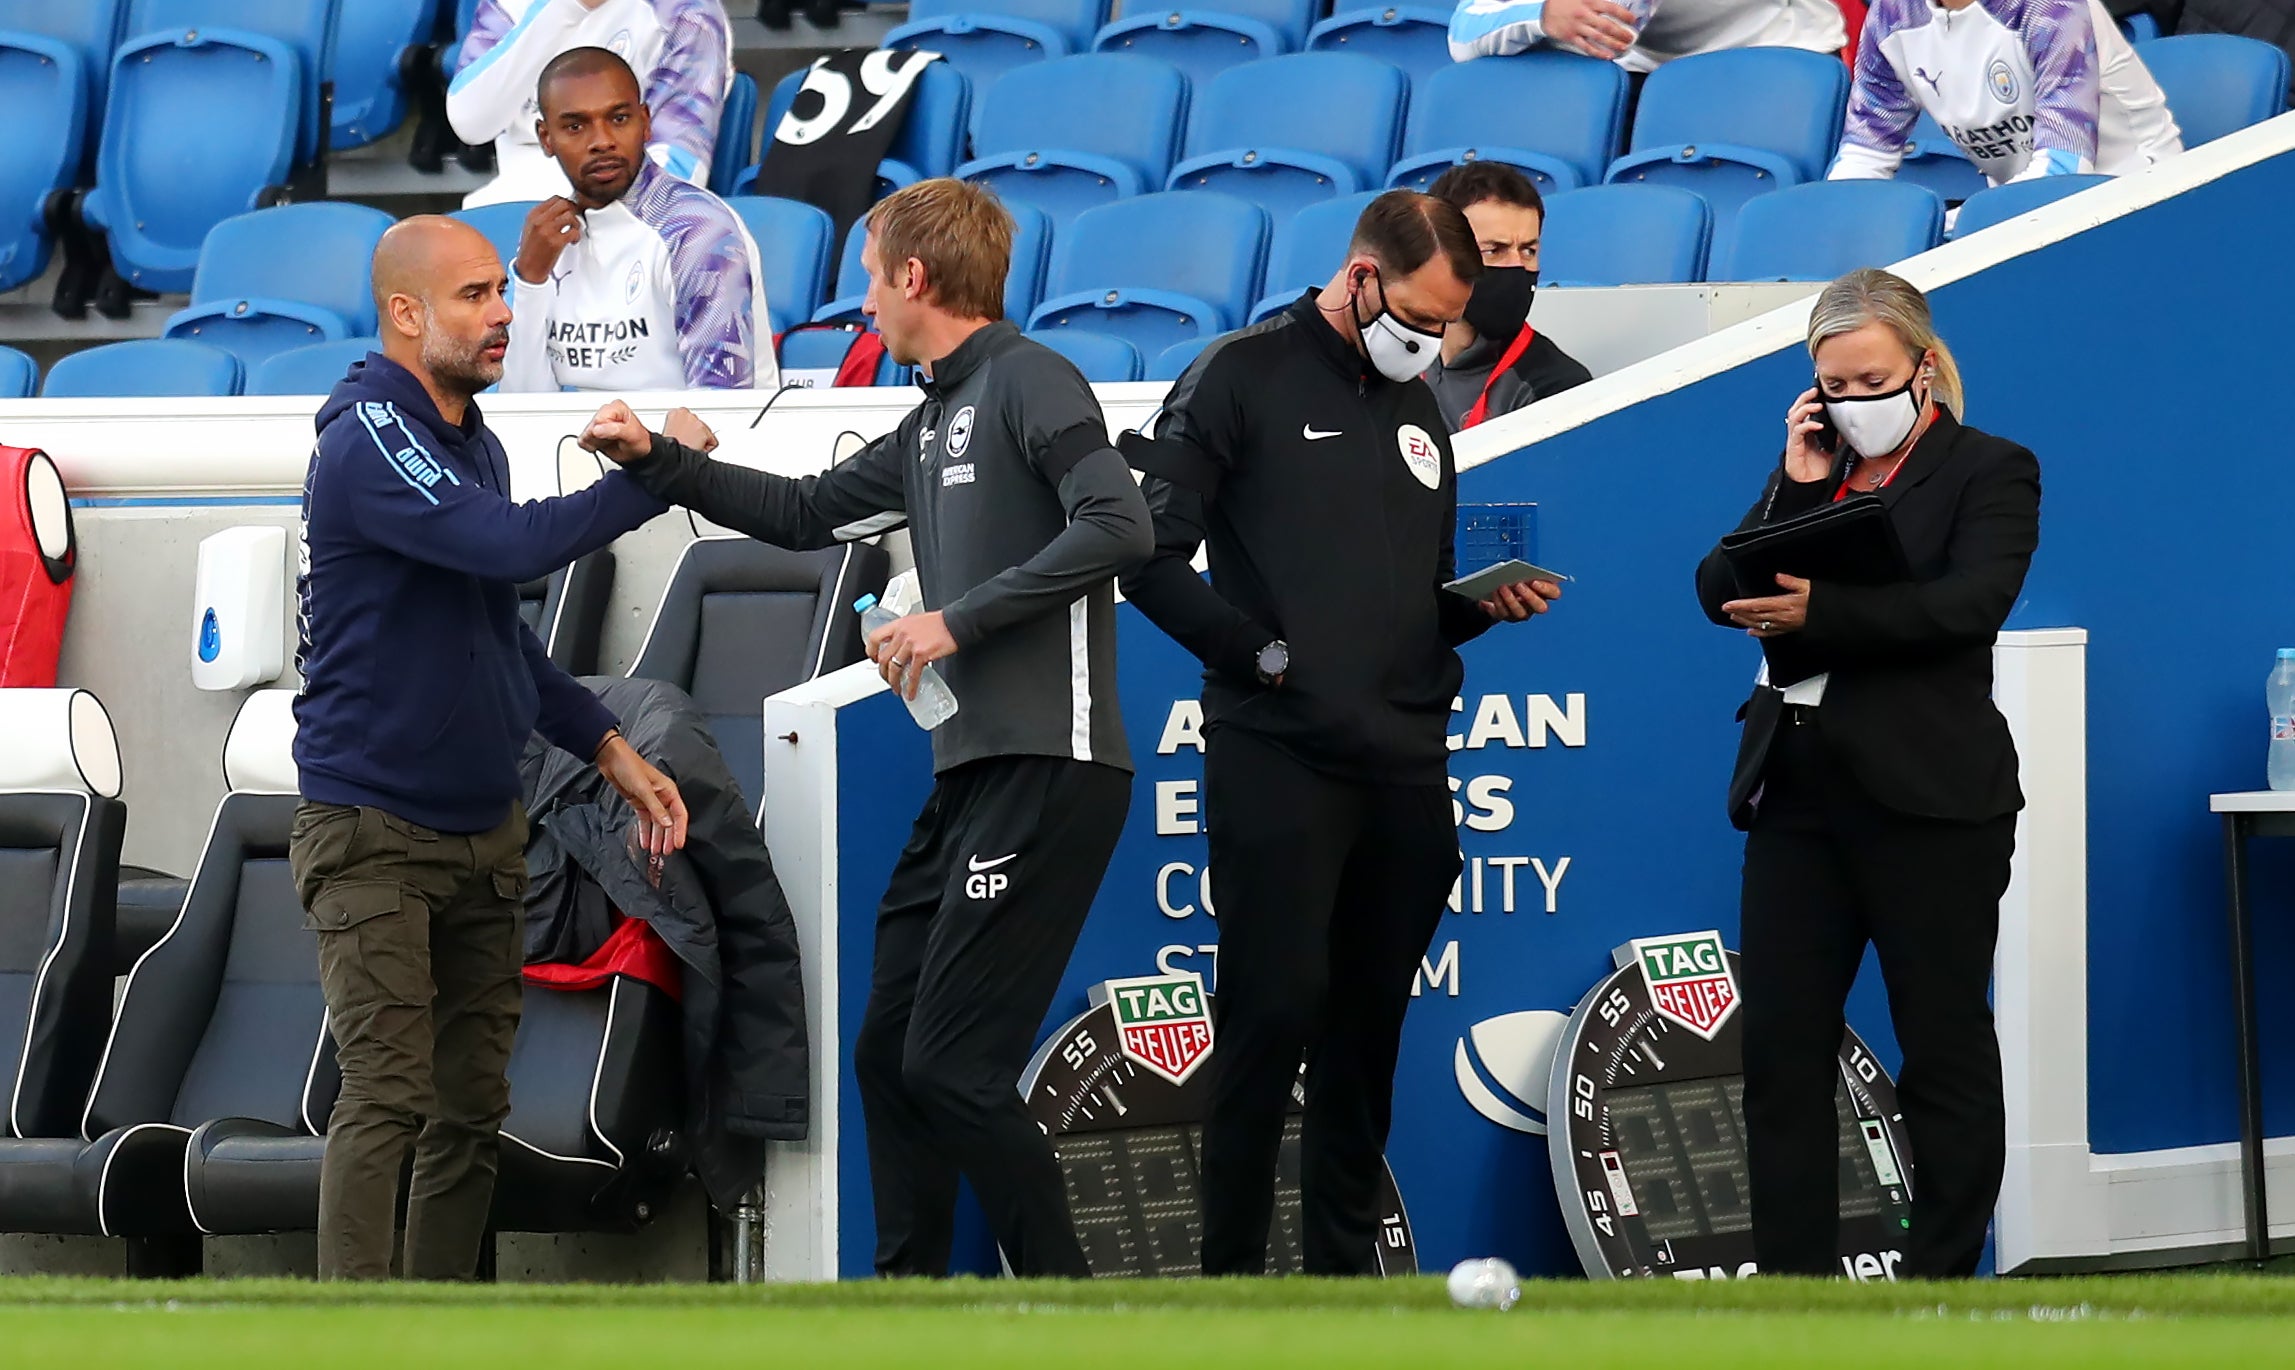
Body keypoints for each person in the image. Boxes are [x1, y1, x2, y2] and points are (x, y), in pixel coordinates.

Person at [587, 179, 1153, 1278]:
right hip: (971, 777)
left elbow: (1121, 523)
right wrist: (658, 459)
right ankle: (907, 1305)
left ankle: (1076, 1307)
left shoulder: (1034, 378)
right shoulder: (933, 414)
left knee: (951, 1064)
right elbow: (804, 512)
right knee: (891, 1050)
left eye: (870, 278)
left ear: (915, 278)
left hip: (1052, 767)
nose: (863, 303)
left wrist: (955, 622)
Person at [1116, 191, 1560, 1276]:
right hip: (1280, 753)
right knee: (1269, 1018)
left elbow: (1405, 598)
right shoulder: (1238, 375)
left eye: (1447, 325)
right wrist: (1256, 654)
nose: (1432, 340)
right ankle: (1227, 1276)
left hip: (1407, 764)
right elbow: (1143, 555)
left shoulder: (1419, 413)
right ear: (1361, 275)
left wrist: (1473, 606)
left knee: (1370, 1032)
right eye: (1416, 314)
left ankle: (1342, 1278)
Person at [292, 216, 692, 1281]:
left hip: (484, 832)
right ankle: (349, 1345)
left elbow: (493, 628)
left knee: (470, 1108)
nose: (504, 308)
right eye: (476, 294)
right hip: (372, 828)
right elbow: (512, 547)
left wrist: (604, 743)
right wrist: (656, 471)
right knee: (386, 1093)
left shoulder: (475, 440)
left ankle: (433, 1331)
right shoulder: (368, 437)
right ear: (407, 313)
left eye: (500, 292)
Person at [1693, 268, 2041, 1277]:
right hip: (1798, 794)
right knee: (1780, 1056)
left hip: (1931, 799)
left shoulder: (1990, 468)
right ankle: (1797, 1292)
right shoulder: (1814, 473)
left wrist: (1825, 617)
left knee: (1941, 1048)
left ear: (1923, 369)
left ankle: (1937, 1278)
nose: (1853, 401)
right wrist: (1793, 483)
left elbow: (1971, 605)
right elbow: (1717, 585)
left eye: (1870, 379)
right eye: (1832, 386)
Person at [501, 47, 778, 394]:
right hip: (576, 445)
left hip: (678, 446)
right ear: (546, 138)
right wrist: (529, 282)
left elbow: (720, 410)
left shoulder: (697, 230)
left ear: (646, 123)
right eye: (575, 126)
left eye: (618, 119)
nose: (601, 142)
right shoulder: (548, 241)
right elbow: (523, 409)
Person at [1830, 0, 2182, 187]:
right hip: (2016, 213)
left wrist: (1978, 229)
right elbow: (1865, 152)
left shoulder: (2052, 7)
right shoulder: (1892, 16)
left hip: (2136, 189)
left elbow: (2065, 166)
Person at [449, 0, 734, 209]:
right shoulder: (510, 5)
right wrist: (568, 7)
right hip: (510, 205)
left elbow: (678, 165)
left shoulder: (688, 12)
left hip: (627, 216)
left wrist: (593, 223)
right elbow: (470, 121)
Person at [1425, 163, 1592, 433]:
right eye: (1494, 250)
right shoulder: (1398, 357)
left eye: (1528, 251)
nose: (1516, 266)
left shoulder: (1556, 387)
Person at [1449, 0, 1845, 70]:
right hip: (1650, 77)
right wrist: (1544, 14)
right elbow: (1463, 32)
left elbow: (1620, 21)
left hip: (1783, 56)